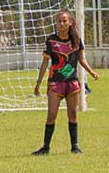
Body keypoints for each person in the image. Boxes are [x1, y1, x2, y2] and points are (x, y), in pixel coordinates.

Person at [33, 9, 99, 155]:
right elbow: (45, 63)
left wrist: (91, 72)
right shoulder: (51, 40)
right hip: (55, 84)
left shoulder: (76, 41)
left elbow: (81, 59)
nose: (61, 24)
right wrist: (38, 83)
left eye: (64, 21)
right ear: (56, 23)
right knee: (51, 115)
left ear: (70, 23)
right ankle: (45, 147)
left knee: (73, 114)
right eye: (59, 21)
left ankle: (74, 146)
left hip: (72, 83)